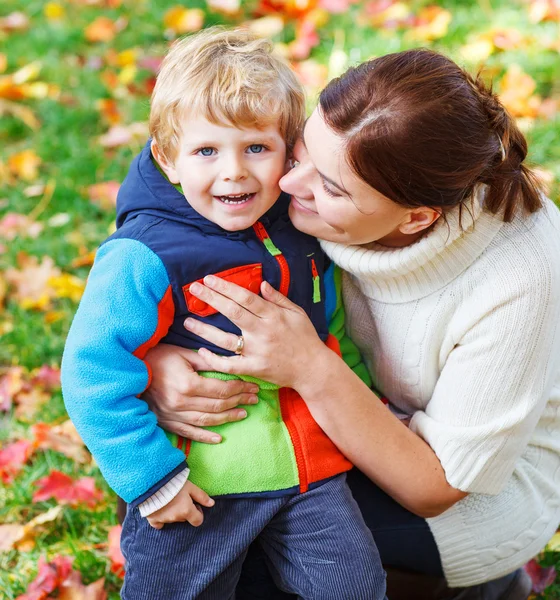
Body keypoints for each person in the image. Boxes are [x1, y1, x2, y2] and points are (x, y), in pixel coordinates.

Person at [143, 48, 560, 599]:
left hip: (466, 495)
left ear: (416, 218)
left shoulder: (519, 269)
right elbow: (165, 185)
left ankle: (467, 585)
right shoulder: (335, 147)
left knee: (243, 518)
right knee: (161, 466)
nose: (288, 185)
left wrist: (310, 367)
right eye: (301, 147)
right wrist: (158, 363)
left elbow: (438, 486)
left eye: (332, 188)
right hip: (329, 400)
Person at [61, 28, 387, 600]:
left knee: (355, 584)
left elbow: (332, 334)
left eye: (255, 148)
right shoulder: (147, 256)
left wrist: (363, 408)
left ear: (290, 149)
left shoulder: (300, 231)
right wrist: (152, 479)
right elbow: (93, 371)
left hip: (309, 475)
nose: (234, 172)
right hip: (198, 480)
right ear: (168, 158)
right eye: (207, 151)